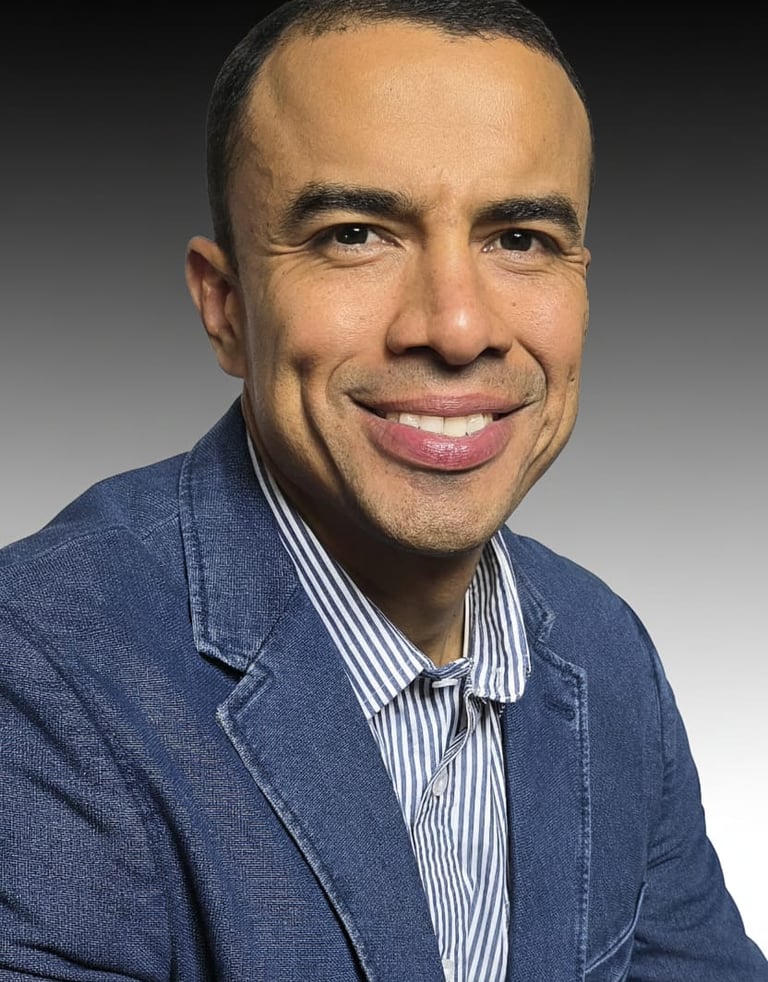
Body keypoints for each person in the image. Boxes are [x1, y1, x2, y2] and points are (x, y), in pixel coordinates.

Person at [0, 1, 765, 979]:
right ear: (225, 307)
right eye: (357, 233)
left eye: (520, 238)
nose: (456, 327)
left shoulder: (603, 649)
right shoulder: (36, 671)